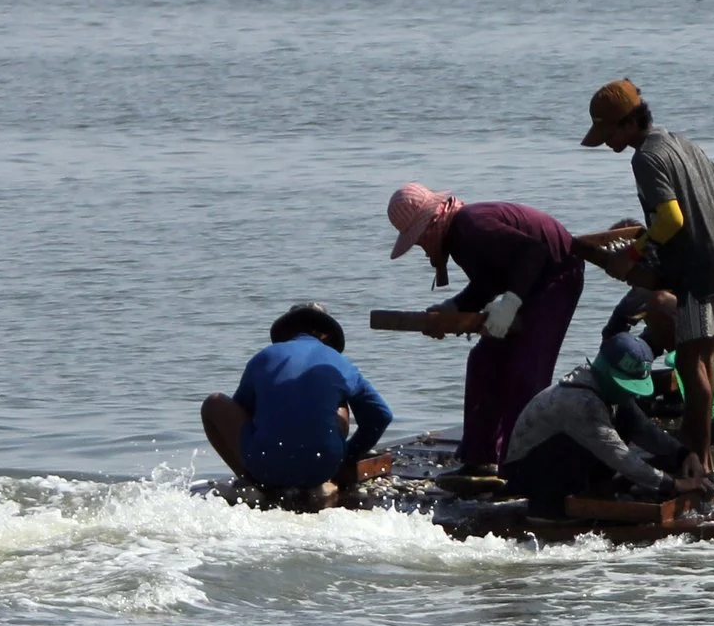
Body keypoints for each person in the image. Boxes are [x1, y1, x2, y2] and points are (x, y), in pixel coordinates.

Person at [580, 78, 714, 474]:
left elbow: (671, 218)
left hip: (699, 273)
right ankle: (700, 457)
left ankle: (698, 461)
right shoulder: (682, 142)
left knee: (692, 364)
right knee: (704, 359)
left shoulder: (645, 157)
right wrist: (713, 231)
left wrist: (634, 254)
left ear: (627, 124)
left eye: (608, 133)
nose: (606, 142)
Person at [387, 183, 587, 491]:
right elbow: (487, 283)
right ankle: (480, 458)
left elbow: (535, 252)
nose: (423, 248)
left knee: (526, 371)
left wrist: (512, 301)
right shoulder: (461, 239)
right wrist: (453, 308)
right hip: (529, 282)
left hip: (556, 278)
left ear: (431, 225)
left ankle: (520, 465)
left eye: (420, 240)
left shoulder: (471, 225)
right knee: (484, 362)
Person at [201, 304, 392, 510]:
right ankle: (318, 481)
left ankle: (253, 483)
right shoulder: (341, 363)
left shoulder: (264, 356)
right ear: (327, 336)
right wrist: (349, 455)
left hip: (265, 466)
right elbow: (381, 415)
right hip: (321, 468)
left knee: (213, 403)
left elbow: (242, 412)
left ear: (286, 333)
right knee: (338, 403)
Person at [502, 333, 712, 520]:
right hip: (530, 470)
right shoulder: (582, 403)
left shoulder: (609, 393)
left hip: (571, 457)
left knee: (630, 419)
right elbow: (618, 455)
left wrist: (684, 454)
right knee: (619, 453)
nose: (632, 393)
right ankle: (551, 507)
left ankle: (597, 489)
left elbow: (645, 430)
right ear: (606, 373)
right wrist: (673, 485)